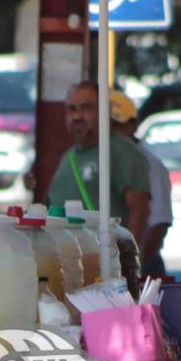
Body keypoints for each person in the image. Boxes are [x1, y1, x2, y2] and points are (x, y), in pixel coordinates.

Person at [46, 81, 152, 267]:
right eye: (71, 109)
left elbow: (139, 209)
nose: (77, 116)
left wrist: (124, 263)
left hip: (105, 269)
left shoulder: (120, 150)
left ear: (105, 111)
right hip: (67, 266)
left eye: (85, 108)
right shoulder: (68, 157)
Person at [110, 91, 172, 278]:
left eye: (118, 125)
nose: (113, 132)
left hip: (140, 266)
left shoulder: (150, 165)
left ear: (133, 125)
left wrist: (135, 265)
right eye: (107, 126)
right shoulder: (101, 159)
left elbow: (159, 224)